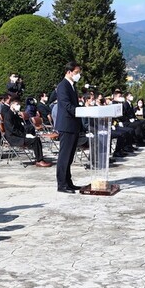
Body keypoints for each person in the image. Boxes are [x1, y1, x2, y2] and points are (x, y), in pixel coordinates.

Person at [55, 63, 82, 193]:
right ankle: (61, 184)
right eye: (76, 72)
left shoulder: (72, 86)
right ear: (69, 72)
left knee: (70, 156)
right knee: (64, 156)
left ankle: (68, 181)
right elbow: (67, 105)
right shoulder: (62, 86)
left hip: (73, 125)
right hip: (66, 125)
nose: (78, 75)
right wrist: (81, 112)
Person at [1, 97, 50, 167]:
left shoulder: (15, 114)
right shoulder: (8, 115)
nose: (19, 106)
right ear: (12, 105)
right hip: (13, 138)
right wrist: (24, 135)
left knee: (37, 138)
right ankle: (39, 160)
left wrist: (26, 133)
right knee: (35, 140)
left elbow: (21, 126)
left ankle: (40, 159)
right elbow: (12, 130)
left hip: (19, 135)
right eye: (17, 104)